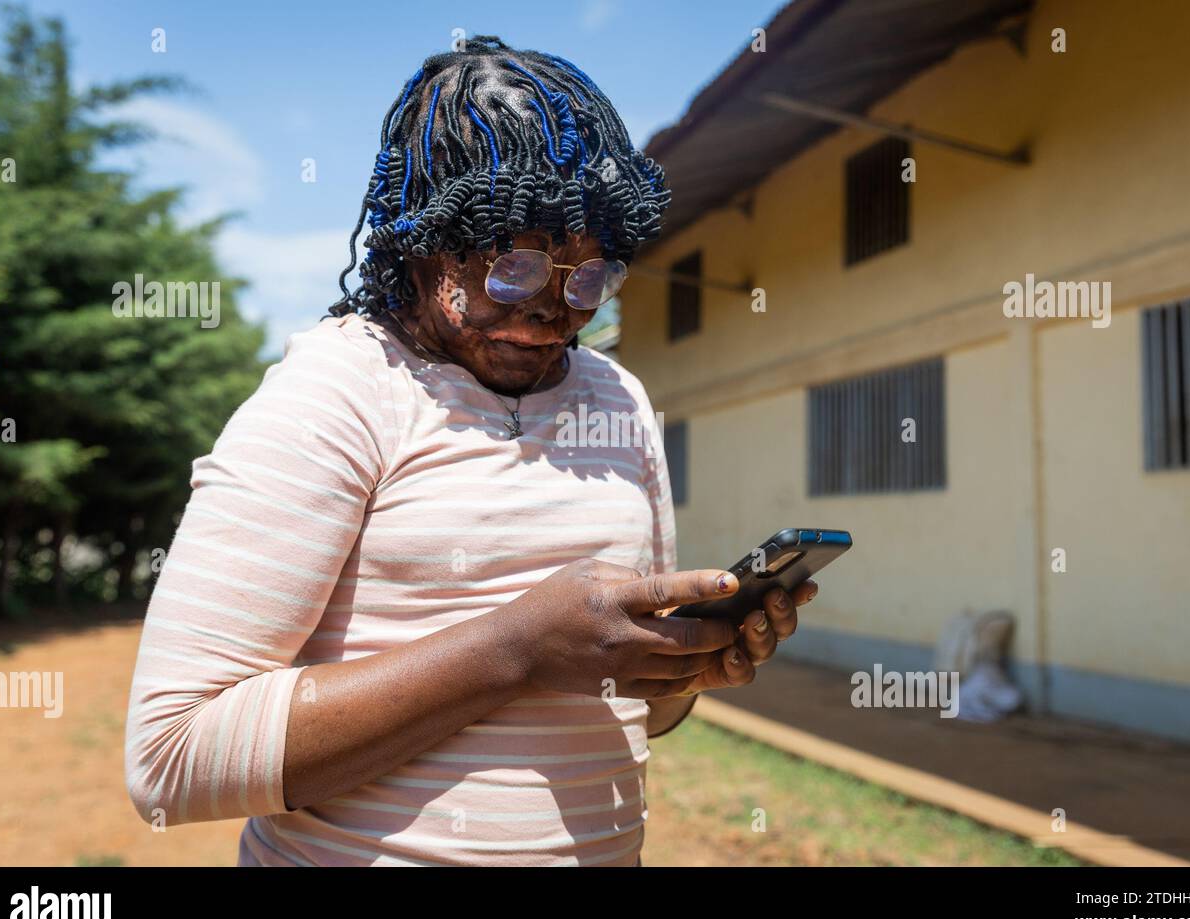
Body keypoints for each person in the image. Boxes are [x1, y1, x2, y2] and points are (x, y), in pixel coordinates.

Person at [124, 36, 817, 866]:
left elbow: (632, 708)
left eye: (588, 280)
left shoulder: (618, 401)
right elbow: (171, 757)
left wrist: (686, 668)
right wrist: (515, 651)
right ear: (425, 242)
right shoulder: (341, 392)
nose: (554, 312)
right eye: (516, 269)